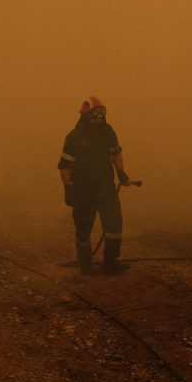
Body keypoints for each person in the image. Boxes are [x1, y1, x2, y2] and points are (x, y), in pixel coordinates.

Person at [58, 96, 132, 275]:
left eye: (102, 112)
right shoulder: (74, 137)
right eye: (95, 113)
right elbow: (64, 165)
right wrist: (68, 187)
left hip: (105, 188)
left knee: (114, 226)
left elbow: (116, 153)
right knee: (83, 228)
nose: (99, 116)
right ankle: (85, 264)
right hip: (83, 191)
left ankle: (110, 262)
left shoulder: (107, 131)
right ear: (85, 115)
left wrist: (121, 172)